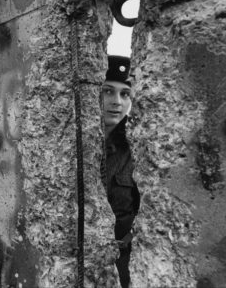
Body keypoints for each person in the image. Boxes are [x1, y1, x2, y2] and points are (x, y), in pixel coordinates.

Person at [102, 55, 141, 288]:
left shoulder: (137, 148)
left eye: (124, 94)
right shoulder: (69, 143)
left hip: (122, 264)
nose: (117, 101)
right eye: (108, 91)